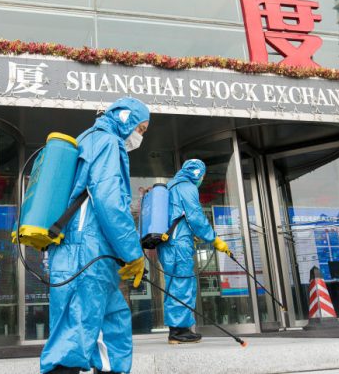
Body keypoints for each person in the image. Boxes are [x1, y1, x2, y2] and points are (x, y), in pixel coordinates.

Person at [40, 97, 150, 374]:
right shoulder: (107, 142)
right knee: (75, 329)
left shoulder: (90, 140)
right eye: (142, 128)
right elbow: (110, 201)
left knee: (113, 320)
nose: (140, 136)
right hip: (87, 250)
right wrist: (133, 253)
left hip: (95, 251)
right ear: (126, 119)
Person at [158, 159, 228, 344]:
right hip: (178, 245)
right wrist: (214, 238)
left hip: (167, 244)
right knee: (182, 284)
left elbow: (179, 217)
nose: (202, 179)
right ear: (197, 174)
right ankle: (179, 331)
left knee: (173, 284)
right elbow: (195, 216)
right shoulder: (187, 187)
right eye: (202, 175)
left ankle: (177, 329)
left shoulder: (171, 186)